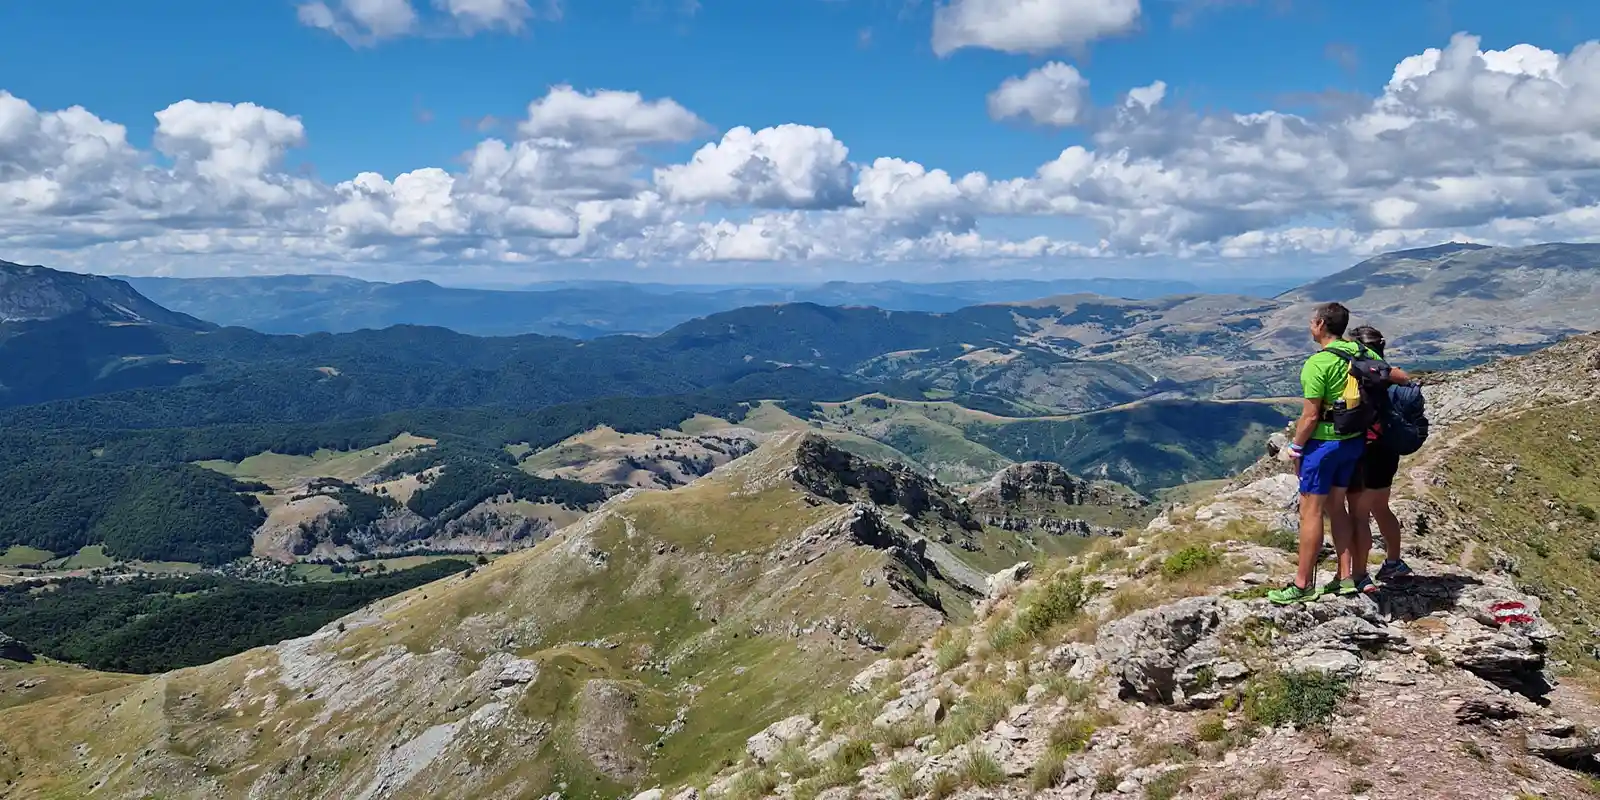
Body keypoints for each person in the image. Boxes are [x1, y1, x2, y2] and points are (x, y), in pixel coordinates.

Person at [1268, 302, 1369, 604]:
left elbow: (1310, 416)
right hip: (1353, 441)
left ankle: (1302, 585)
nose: (1311, 326)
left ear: (1322, 325)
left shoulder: (1318, 364)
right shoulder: (1361, 353)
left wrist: (1296, 449)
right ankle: (1346, 577)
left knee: (1310, 512)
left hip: (1323, 445)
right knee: (1337, 506)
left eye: (1312, 322)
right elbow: (1392, 374)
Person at [1345, 325, 1417, 588]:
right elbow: (1405, 378)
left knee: (1359, 514)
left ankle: (1360, 575)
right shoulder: (1390, 373)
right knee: (1380, 506)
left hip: (1366, 451)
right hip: (1388, 450)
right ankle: (1393, 561)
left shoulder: (1364, 374)